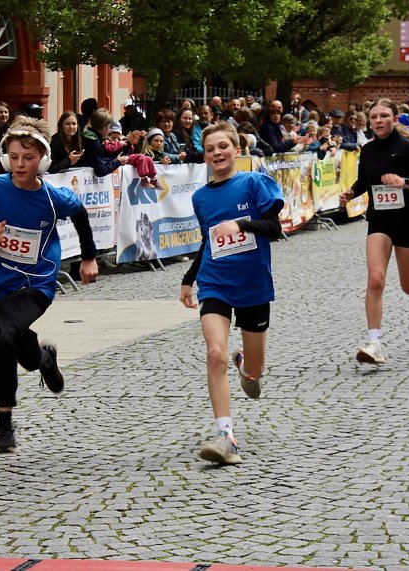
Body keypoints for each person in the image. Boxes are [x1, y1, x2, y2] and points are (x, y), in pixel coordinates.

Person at [0, 118, 99, 452]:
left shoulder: (52, 196)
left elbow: (80, 215)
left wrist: (89, 258)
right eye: (14, 156)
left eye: (28, 157)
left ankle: (4, 421)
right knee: (14, 340)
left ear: (43, 160)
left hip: (37, 281)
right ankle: (42, 359)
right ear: (5, 157)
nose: (20, 164)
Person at [179, 121, 284, 465]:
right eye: (210, 149)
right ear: (205, 156)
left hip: (253, 285)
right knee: (214, 354)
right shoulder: (200, 198)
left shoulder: (254, 183)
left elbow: (274, 228)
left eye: (223, 146)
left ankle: (247, 367)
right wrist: (189, 279)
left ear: (237, 150)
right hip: (215, 283)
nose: (217, 153)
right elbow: (207, 243)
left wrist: (239, 224)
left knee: (255, 371)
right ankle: (226, 438)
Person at [338, 98, 409, 365]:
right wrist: (351, 193)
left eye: (384, 116)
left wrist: (403, 182)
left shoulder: (408, 148)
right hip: (380, 222)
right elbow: (365, 180)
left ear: (394, 119)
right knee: (376, 279)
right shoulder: (368, 150)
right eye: (374, 117)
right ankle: (374, 344)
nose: (378, 121)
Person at [81, 108, 137, 177]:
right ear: (104, 126)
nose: (109, 130)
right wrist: (118, 162)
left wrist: (127, 144)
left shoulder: (93, 139)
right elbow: (101, 170)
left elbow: (106, 157)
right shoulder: (93, 143)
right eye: (109, 127)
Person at [105, 121, 158, 187]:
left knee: (147, 158)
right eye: (114, 132)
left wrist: (131, 144)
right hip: (117, 160)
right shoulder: (107, 141)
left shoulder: (121, 139)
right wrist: (124, 142)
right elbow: (110, 149)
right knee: (140, 157)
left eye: (117, 132)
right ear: (110, 133)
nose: (116, 134)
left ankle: (153, 179)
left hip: (124, 158)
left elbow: (130, 151)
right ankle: (144, 179)